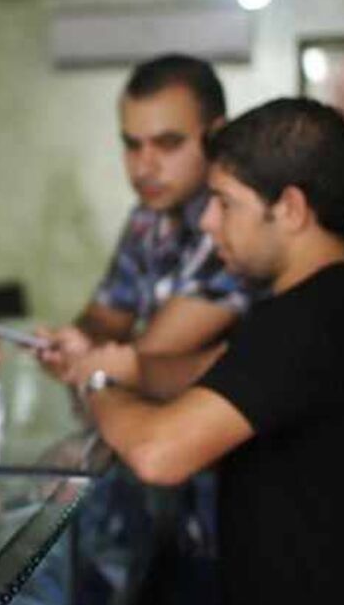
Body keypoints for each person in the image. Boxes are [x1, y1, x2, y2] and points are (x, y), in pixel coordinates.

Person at [82, 97, 344, 605]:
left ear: (290, 209)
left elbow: (159, 455)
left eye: (225, 203)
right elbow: (216, 371)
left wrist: (98, 385)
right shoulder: (338, 300)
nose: (208, 222)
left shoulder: (311, 321)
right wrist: (130, 366)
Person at [38, 54, 251, 393]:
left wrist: (90, 360)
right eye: (132, 145)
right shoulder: (147, 217)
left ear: (216, 136)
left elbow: (149, 357)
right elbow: (106, 318)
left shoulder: (238, 221)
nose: (143, 167)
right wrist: (74, 341)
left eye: (168, 144)